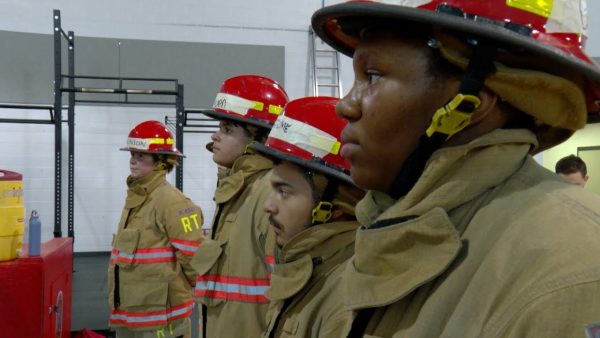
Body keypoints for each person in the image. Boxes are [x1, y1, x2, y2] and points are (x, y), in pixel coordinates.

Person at [311, 0, 600, 337]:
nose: (345, 105)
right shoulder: (391, 228)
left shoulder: (571, 264)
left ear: (471, 104)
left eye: (372, 76)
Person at [250, 96, 364, 337]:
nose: (268, 206)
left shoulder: (346, 299)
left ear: (334, 206)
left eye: (284, 191)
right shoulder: (307, 266)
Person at [190, 75, 289, 338]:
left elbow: (284, 294)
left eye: (227, 129)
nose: (215, 135)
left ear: (259, 138)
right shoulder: (240, 188)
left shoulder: (267, 191)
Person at [109, 120, 205, 338]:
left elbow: (194, 259)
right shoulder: (137, 197)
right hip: (133, 312)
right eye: (132, 154)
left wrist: (187, 294)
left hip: (162, 318)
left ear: (161, 162)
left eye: (140, 156)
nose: (132, 161)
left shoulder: (172, 202)